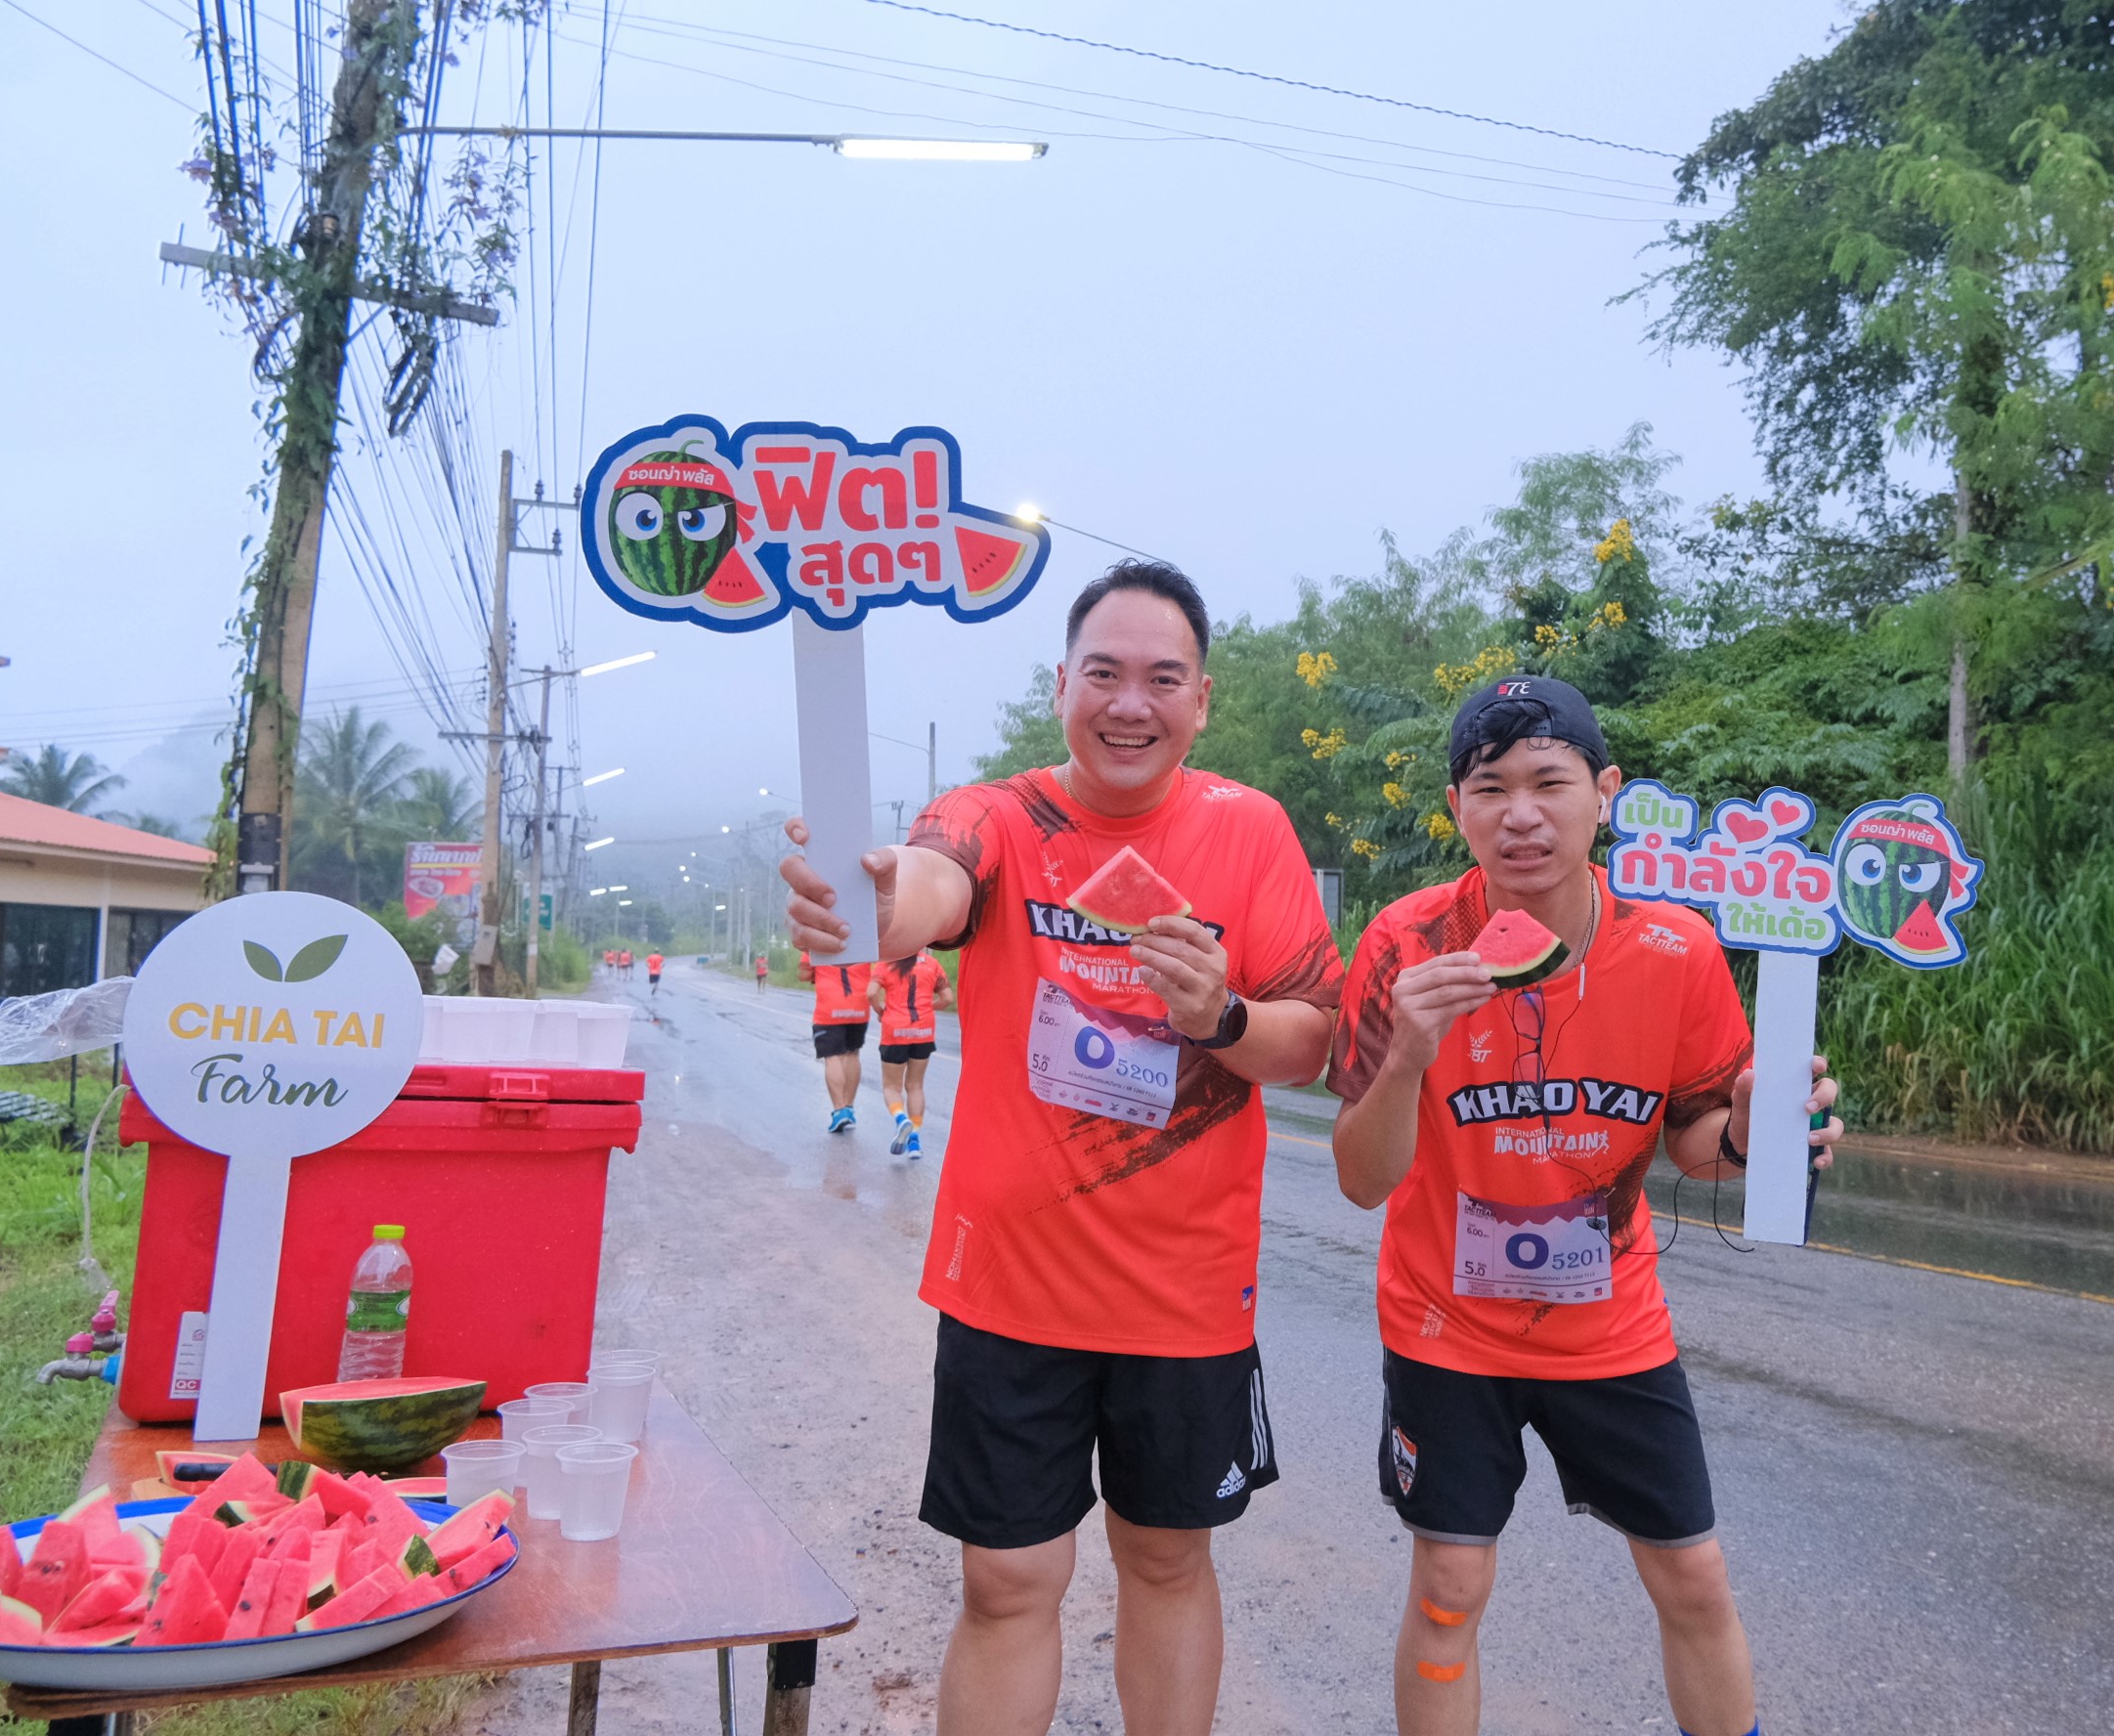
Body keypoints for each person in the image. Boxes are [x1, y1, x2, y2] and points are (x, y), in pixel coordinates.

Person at [782, 560, 1343, 1736]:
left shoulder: (1249, 831)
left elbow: (1310, 1042)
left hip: (1185, 1289)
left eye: (1162, 679)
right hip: (1010, 1281)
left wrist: (1220, 1018)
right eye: (1104, 673)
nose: (1130, 703)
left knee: (1167, 1560)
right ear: (1060, 687)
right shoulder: (997, 816)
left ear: (1202, 701)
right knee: (1006, 1579)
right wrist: (871, 902)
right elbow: (929, 886)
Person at [1326, 674, 1845, 1736]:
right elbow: (1362, 1178)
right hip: (1445, 1325)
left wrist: (1753, 1133)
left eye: (1549, 783)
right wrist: (1407, 1057)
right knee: (1448, 1588)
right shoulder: (1405, 945)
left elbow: (1697, 1143)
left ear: (1604, 793)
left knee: (1694, 1578)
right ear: (1457, 808)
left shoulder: (1674, 949)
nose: (1520, 814)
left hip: (1612, 1327)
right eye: (1490, 788)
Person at [870, 951, 954, 1158]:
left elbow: (871, 993)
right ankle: (914, 1140)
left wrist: (880, 1011)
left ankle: (901, 1119)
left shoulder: (887, 963)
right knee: (915, 1086)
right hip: (923, 1030)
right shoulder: (932, 964)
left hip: (895, 1031)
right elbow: (947, 998)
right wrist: (928, 1007)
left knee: (891, 1087)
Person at [799, 948, 873, 1134]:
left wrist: (816, 975)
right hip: (858, 1006)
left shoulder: (818, 941)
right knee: (853, 1054)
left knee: (832, 1057)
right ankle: (849, 1107)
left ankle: (839, 1111)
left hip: (829, 1008)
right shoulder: (863, 941)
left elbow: (804, 973)